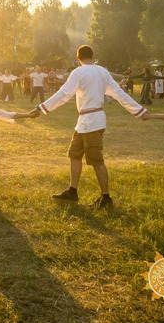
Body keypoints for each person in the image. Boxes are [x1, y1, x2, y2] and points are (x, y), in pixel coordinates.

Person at [31, 45, 148, 209]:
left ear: (78, 58)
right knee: (74, 154)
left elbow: (64, 94)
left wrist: (41, 108)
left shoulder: (79, 72)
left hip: (92, 122)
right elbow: (120, 94)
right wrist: (139, 111)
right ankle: (73, 191)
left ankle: (106, 198)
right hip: (85, 121)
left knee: (96, 160)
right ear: (92, 56)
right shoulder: (102, 72)